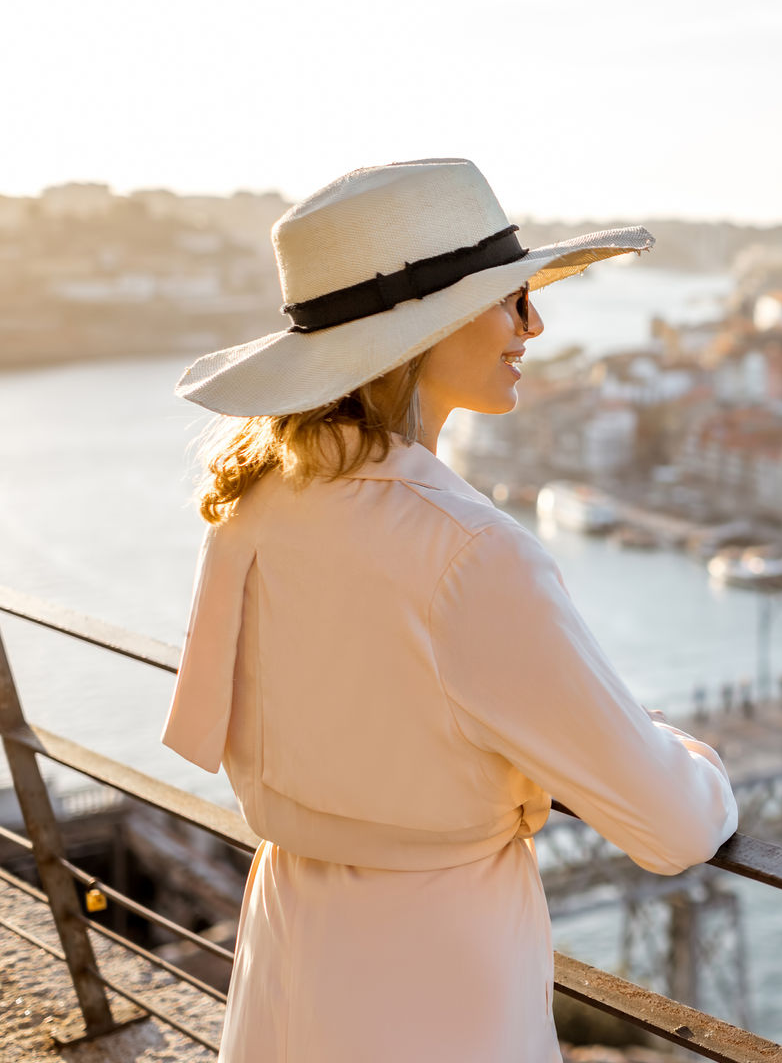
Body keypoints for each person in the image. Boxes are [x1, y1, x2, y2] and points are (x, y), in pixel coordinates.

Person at [162, 159, 736, 1063]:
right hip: (441, 982)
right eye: (510, 299)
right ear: (424, 330)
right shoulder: (472, 552)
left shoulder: (257, 504)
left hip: (292, 953)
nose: (533, 324)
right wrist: (687, 753)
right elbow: (673, 827)